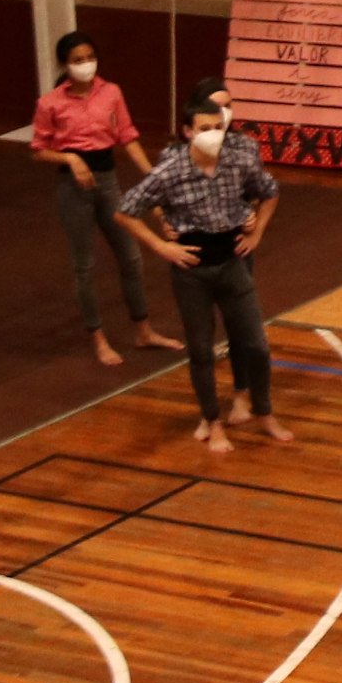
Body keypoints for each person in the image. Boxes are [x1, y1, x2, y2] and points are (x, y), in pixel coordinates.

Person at [122, 99, 286, 452]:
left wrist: (256, 235)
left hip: (231, 261)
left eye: (217, 128)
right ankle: (212, 421)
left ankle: (264, 411)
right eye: (204, 129)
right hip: (191, 269)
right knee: (201, 349)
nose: (213, 135)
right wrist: (160, 246)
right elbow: (126, 210)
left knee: (256, 344)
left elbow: (270, 192)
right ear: (187, 132)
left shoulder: (238, 160)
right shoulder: (171, 169)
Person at [29, 27, 174, 371]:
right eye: (78, 60)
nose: (86, 65)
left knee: (131, 256)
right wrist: (71, 158)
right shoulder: (50, 103)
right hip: (73, 189)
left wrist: (153, 175)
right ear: (65, 65)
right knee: (86, 266)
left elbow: (127, 136)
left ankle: (143, 329)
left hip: (108, 182)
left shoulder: (111, 93)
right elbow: (38, 150)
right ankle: (98, 337)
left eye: (90, 58)